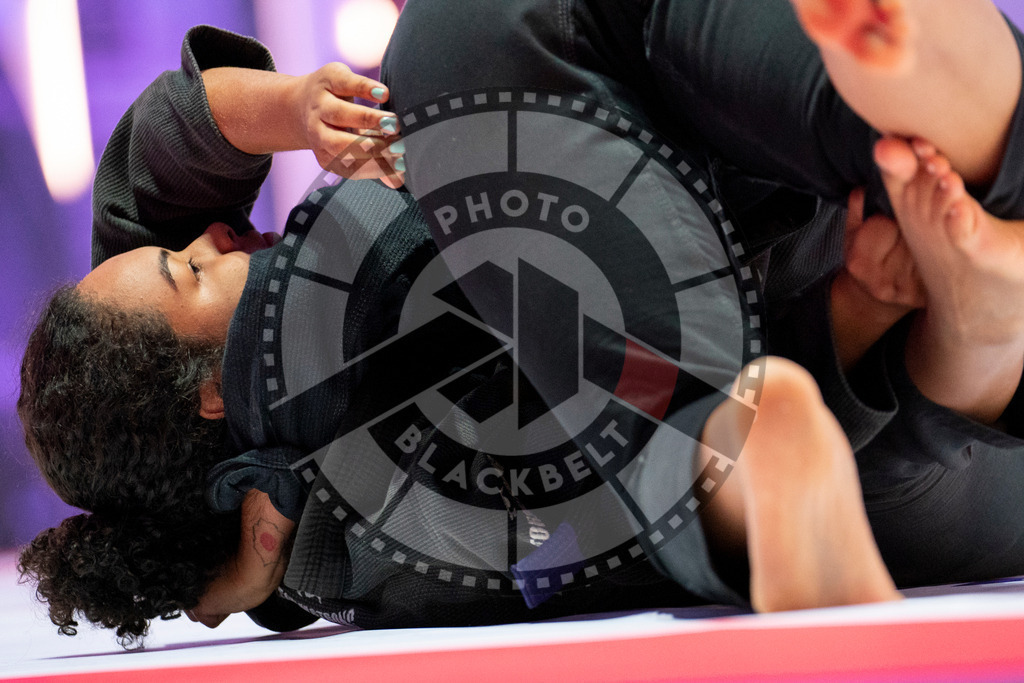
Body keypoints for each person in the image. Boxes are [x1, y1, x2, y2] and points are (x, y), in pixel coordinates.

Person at [15, 0, 1024, 643]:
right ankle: (797, 421)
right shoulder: (362, 512)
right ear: (205, 394)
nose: (221, 236)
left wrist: (296, 108)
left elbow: (171, 136)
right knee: (463, 41)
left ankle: (941, 287)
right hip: (847, 408)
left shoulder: (314, 503)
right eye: (190, 266)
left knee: (468, 35)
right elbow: (564, 514)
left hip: (787, 290)